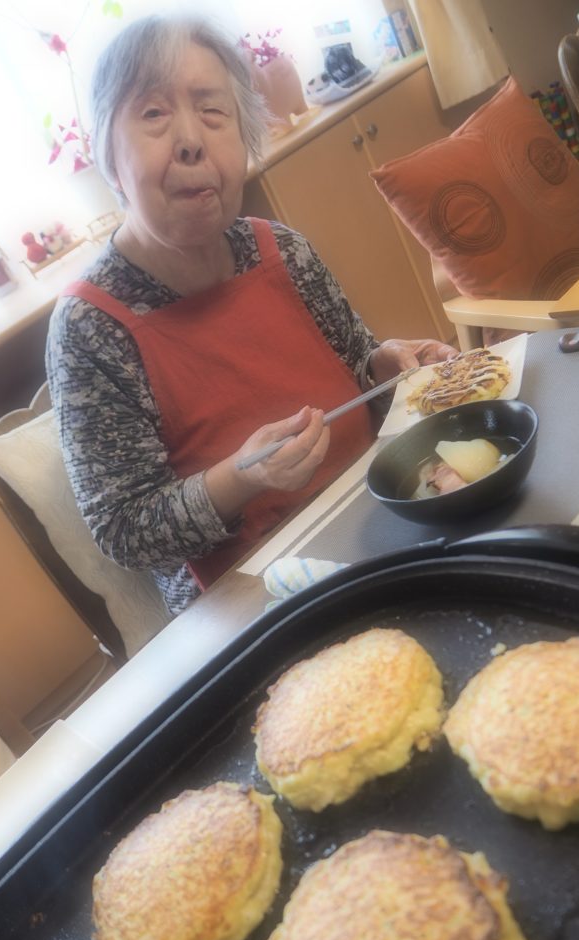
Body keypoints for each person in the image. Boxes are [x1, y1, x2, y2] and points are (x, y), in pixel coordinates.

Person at [46, 14, 457, 617]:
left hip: (381, 514)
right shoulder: (88, 328)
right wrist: (242, 478)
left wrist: (385, 368)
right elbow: (125, 530)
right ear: (108, 155)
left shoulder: (280, 248)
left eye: (213, 111)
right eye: (154, 114)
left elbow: (358, 370)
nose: (191, 139)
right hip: (250, 600)